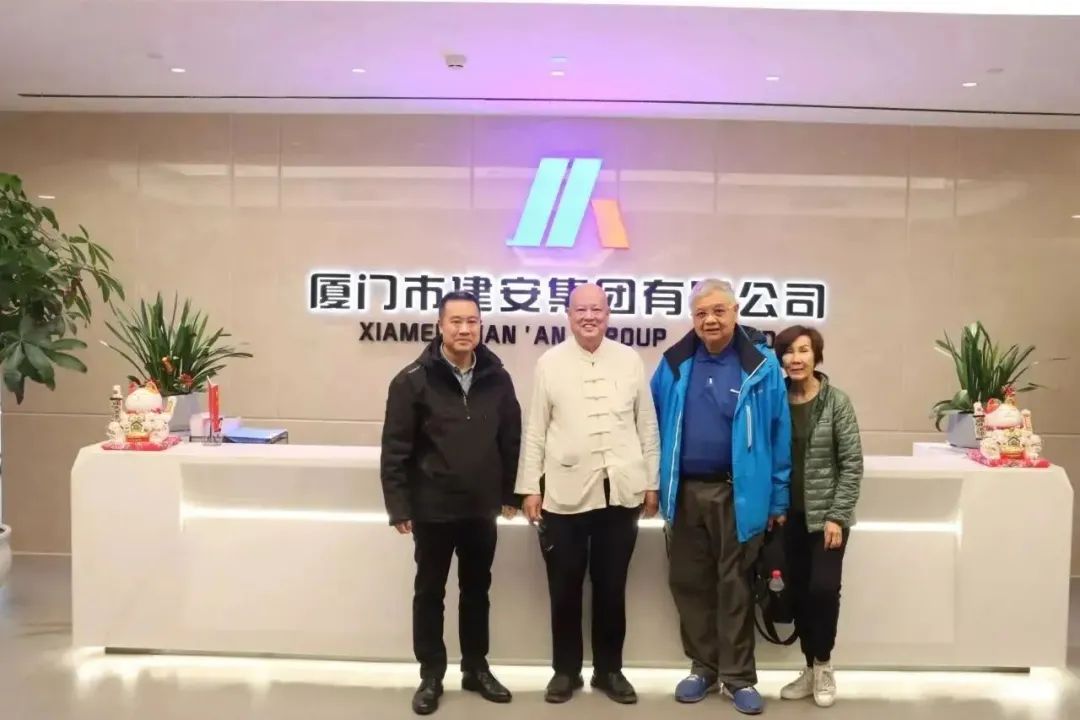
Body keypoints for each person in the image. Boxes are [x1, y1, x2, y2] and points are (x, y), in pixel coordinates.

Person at [650, 278, 791, 716]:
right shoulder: (673, 364)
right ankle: (703, 668)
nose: (710, 320)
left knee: (735, 587)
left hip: (739, 495)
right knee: (689, 583)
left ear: (735, 312)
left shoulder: (761, 366)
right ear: (692, 318)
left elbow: (779, 433)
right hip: (685, 492)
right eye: (701, 313)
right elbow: (651, 424)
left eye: (718, 311)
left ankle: (739, 677)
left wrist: (778, 499)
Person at [516, 283, 660, 705]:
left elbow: (647, 425)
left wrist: (651, 482)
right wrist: (529, 487)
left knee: (612, 587)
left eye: (596, 309)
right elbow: (536, 429)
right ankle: (565, 671)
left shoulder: (629, 359)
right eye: (581, 310)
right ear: (568, 315)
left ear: (608, 313)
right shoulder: (550, 362)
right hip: (564, 495)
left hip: (621, 494)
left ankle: (609, 670)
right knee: (564, 588)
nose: (589, 317)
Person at [380, 290, 522, 716]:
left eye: (472, 321)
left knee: (477, 591)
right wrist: (399, 506)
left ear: (481, 326)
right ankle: (431, 675)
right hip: (432, 508)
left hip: (481, 507)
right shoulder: (412, 380)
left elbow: (511, 439)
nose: (464, 329)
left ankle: (476, 668)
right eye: (456, 321)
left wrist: (511, 493)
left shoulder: (497, 377)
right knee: (430, 592)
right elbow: (395, 449)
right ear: (440, 326)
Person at [774, 326, 862, 709]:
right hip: (786, 518)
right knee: (795, 593)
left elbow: (852, 463)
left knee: (823, 591)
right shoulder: (775, 398)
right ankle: (809, 668)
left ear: (816, 356)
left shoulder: (836, 402)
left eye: (804, 350)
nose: (796, 358)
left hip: (827, 520)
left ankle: (824, 665)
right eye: (789, 351)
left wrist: (837, 516)